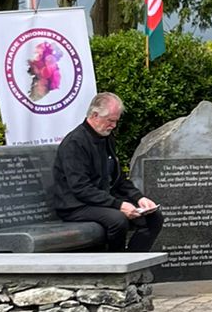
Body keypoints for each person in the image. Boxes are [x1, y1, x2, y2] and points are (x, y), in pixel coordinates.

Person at [51, 92, 163, 251]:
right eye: (110, 121)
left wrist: (139, 198)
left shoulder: (106, 137)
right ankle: (116, 266)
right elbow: (80, 188)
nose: (114, 126)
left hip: (100, 199)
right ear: (95, 115)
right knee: (117, 219)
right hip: (75, 205)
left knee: (154, 217)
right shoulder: (75, 143)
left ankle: (132, 260)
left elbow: (119, 179)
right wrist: (119, 205)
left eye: (116, 121)